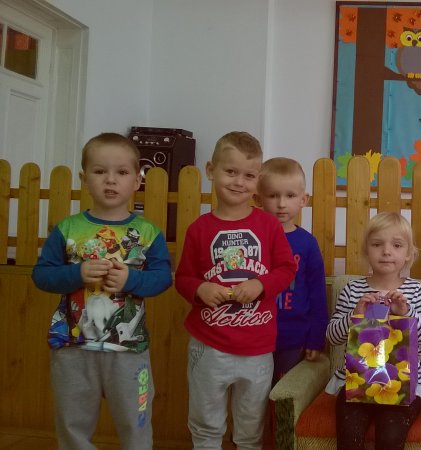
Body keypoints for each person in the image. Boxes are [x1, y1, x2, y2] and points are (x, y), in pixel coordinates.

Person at [32, 132, 173, 450]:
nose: (111, 180)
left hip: (129, 350)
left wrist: (131, 281)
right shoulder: (67, 229)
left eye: (121, 172)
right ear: (84, 178)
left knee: (137, 421)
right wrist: (77, 274)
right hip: (72, 349)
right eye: (99, 171)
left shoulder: (148, 233)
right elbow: (42, 275)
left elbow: (163, 278)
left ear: (137, 181)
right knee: (72, 425)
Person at [174, 131, 297, 450]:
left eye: (249, 176)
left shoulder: (269, 226)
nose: (239, 182)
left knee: (250, 431)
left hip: (257, 349)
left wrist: (260, 284)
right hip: (208, 347)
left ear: (257, 180)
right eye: (231, 172)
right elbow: (183, 278)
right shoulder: (199, 229)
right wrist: (200, 288)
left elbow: (287, 269)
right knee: (205, 427)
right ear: (211, 170)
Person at [325, 212, 421, 450]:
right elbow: (332, 337)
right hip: (357, 380)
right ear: (366, 251)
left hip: (405, 382)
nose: (386, 251)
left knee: (390, 436)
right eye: (377, 244)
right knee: (349, 436)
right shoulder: (352, 290)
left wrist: (406, 313)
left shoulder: (415, 291)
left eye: (397, 245)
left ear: (408, 254)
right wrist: (355, 315)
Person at [256, 157, 327, 381]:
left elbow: (317, 294)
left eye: (290, 195)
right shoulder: (252, 240)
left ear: (303, 200)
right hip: (254, 336)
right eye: (273, 195)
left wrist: (316, 339)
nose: (281, 204)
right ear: (258, 199)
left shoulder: (307, 243)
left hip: (294, 338)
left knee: (284, 396)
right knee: (254, 396)